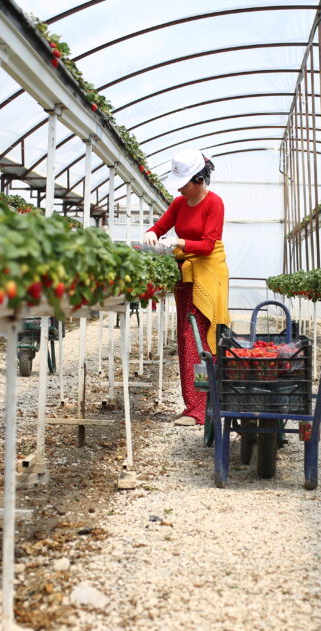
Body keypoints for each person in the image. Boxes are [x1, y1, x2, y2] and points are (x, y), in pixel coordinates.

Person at [143, 149, 230, 426]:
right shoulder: (180, 203)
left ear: (198, 179)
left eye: (184, 182)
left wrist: (178, 243)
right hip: (186, 277)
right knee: (186, 338)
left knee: (200, 341)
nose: (180, 188)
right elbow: (161, 226)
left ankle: (202, 408)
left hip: (208, 276)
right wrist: (152, 234)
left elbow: (208, 245)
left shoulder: (214, 203)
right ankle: (193, 404)